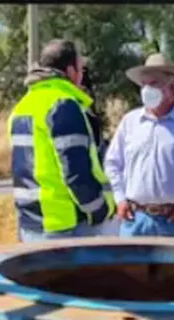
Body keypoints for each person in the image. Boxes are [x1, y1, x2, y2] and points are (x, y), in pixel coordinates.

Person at [7, 39, 116, 242]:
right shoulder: (63, 105)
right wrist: (99, 210)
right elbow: (75, 173)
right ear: (70, 70)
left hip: (30, 222)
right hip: (63, 225)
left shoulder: (22, 106)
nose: (83, 75)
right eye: (81, 68)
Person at [103, 54, 174, 238]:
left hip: (173, 222)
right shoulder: (130, 122)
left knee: (171, 269)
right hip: (134, 219)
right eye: (144, 84)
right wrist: (120, 199)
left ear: (172, 87)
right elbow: (113, 163)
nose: (147, 89)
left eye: (154, 83)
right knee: (129, 268)